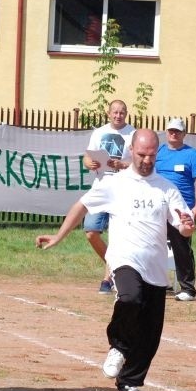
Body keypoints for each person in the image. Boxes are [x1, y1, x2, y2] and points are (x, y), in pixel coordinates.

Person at [36, 129, 195, 391]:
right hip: (124, 258)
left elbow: (182, 223)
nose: (147, 160)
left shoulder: (167, 187)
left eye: (152, 155)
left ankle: (130, 383)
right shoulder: (115, 183)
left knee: (150, 332)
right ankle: (118, 346)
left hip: (155, 266)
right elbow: (81, 206)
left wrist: (185, 226)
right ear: (131, 150)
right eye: (142, 154)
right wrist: (59, 236)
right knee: (130, 297)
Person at [82, 100, 136, 294]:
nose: (118, 115)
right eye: (115, 112)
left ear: (126, 114)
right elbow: (87, 156)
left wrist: (123, 164)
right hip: (101, 186)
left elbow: (140, 161)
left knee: (116, 235)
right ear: (108, 113)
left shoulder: (133, 134)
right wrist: (89, 163)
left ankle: (107, 279)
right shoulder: (99, 132)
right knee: (90, 230)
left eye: (122, 112)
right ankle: (116, 268)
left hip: (123, 187)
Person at [155, 117, 196, 301]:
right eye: (171, 130)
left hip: (181, 208)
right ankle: (158, 282)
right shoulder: (159, 152)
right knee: (155, 244)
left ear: (184, 134)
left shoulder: (192, 154)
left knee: (181, 246)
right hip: (159, 206)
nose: (173, 133)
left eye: (177, 131)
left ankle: (187, 288)